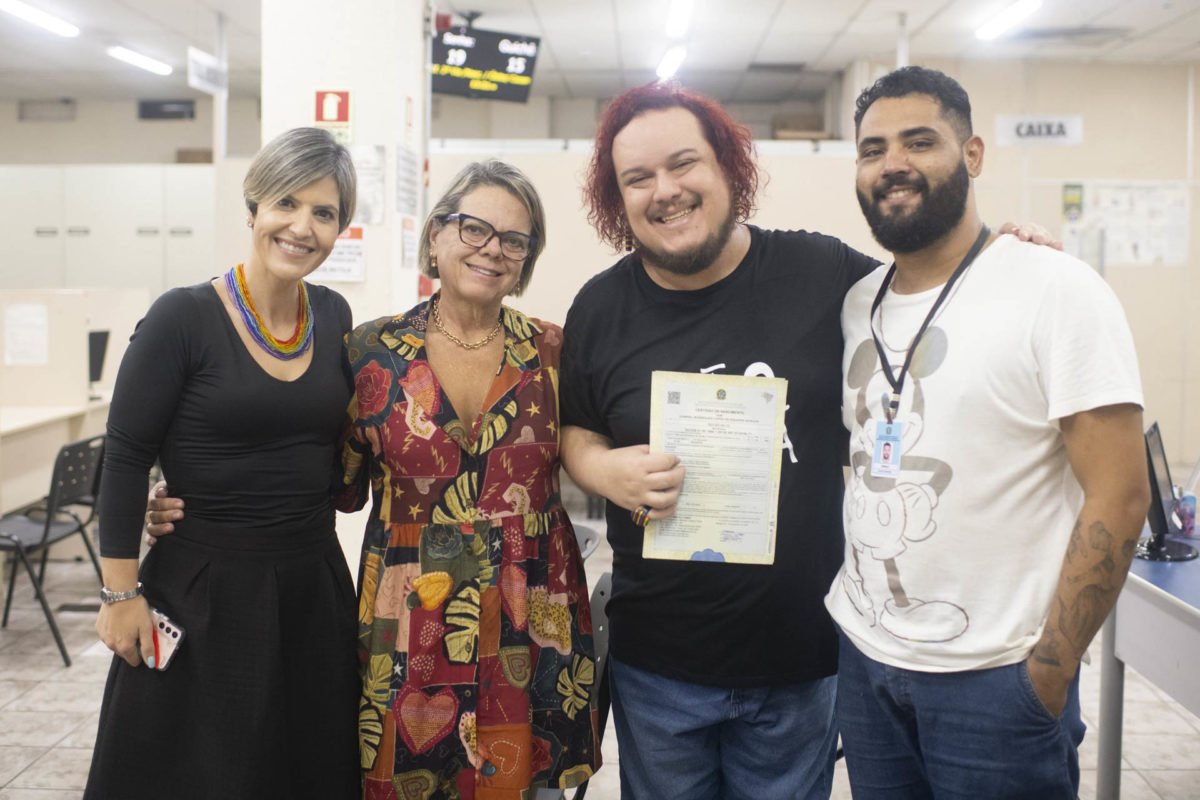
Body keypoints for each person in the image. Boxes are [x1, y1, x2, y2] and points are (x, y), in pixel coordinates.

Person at [558, 81, 1056, 800]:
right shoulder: (600, 307)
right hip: (659, 664)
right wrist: (603, 468)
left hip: (800, 659)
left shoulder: (824, 274)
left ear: (729, 167)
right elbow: (577, 428)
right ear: (618, 197)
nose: (663, 190)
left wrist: (1002, 258)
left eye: (683, 164)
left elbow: (930, 293)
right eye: (637, 178)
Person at [828, 65, 1148, 799]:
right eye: (873, 149)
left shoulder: (1056, 290)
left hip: (996, 681)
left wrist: (1051, 667)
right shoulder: (855, 303)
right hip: (867, 660)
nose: (893, 164)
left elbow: (1121, 496)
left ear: (972, 155)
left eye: (919, 142)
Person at [86, 128, 361, 798]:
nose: (302, 227)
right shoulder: (181, 318)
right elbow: (123, 456)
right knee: (196, 771)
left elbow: (335, 452)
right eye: (286, 204)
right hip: (202, 588)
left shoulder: (333, 314)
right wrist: (120, 595)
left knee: (307, 767)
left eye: (324, 213)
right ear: (254, 208)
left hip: (310, 584)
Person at [336, 160, 600, 798]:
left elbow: (600, 451)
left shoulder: (553, 351)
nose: (492, 249)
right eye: (474, 228)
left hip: (530, 621)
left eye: (514, 240)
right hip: (410, 624)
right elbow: (326, 481)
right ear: (435, 235)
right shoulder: (369, 352)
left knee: (523, 788)